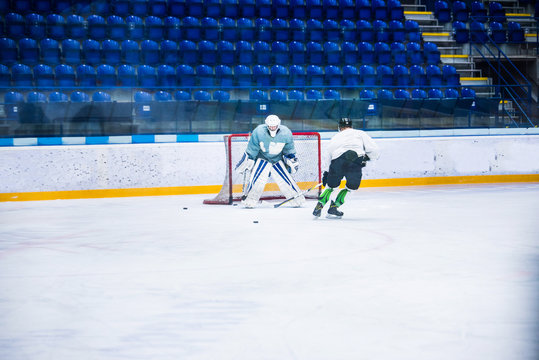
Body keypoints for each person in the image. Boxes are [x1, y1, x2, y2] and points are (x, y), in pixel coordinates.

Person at [313, 117, 379, 218]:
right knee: (351, 187)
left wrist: (326, 172)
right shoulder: (360, 133)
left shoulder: (335, 137)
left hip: (338, 160)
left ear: (339, 127)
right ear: (351, 126)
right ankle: (334, 207)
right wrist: (367, 157)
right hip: (354, 161)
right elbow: (374, 150)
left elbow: (328, 155)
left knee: (331, 187)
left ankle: (319, 206)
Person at [235, 114, 305, 208]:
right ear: (267, 125)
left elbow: (289, 149)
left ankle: (297, 200)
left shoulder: (286, 132)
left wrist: (291, 159)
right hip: (262, 158)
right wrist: (249, 159)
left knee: (285, 180)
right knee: (256, 180)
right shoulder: (258, 131)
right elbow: (252, 148)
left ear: (278, 125)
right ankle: (249, 201)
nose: (272, 128)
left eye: (274, 126)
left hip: (277, 159)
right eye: (270, 126)